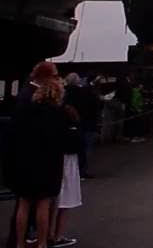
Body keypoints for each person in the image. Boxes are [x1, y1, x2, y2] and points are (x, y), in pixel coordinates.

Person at [5, 72, 70, 248]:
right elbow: (64, 139)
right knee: (43, 204)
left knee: (24, 204)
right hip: (47, 163)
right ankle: (42, 242)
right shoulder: (57, 114)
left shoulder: (24, 110)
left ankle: (19, 243)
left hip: (25, 161)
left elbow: (13, 135)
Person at [51, 95, 82, 248]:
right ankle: (57, 236)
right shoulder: (69, 115)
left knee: (48, 201)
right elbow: (78, 143)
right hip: (68, 161)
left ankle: (46, 235)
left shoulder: (47, 116)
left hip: (51, 159)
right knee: (65, 200)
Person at [62, 75, 100, 179]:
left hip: (70, 126)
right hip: (87, 123)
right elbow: (95, 105)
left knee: (73, 151)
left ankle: (72, 172)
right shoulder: (86, 92)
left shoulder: (64, 94)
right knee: (85, 148)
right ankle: (82, 170)